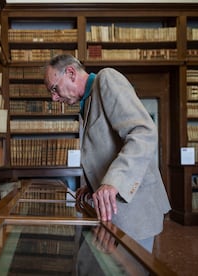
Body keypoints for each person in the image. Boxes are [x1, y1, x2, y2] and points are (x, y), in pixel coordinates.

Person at [44, 54, 171, 253]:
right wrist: (93, 185)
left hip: (134, 209)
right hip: (115, 209)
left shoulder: (107, 79)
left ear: (70, 73)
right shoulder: (86, 103)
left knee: (133, 268)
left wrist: (112, 182)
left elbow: (142, 132)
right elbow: (105, 148)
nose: (54, 97)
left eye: (54, 88)